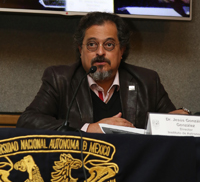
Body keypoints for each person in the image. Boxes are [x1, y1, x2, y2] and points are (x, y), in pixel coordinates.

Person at [16, 12, 190, 133]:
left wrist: (181, 118)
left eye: (108, 45)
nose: (100, 52)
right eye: (92, 44)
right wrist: (88, 129)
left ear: (121, 51)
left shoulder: (147, 81)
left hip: (135, 173)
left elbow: (174, 126)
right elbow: (28, 120)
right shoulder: (60, 79)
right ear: (80, 50)